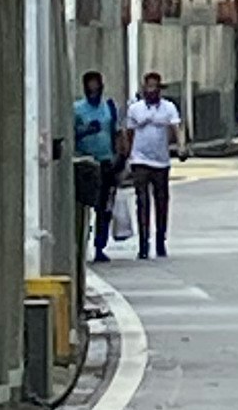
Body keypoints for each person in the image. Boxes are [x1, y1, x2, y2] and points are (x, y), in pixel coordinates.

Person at [124, 69, 186, 260]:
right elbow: (128, 132)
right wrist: (126, 156)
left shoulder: (168, 108)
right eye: (148, 87)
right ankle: (143, 242)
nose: (151, 91)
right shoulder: (135, 109)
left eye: (155, 87)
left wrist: (181, 146)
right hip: (140, 160)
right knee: (142, 201)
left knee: (161, 201)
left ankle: (161, 239)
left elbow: (176, 127)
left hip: (161, 161)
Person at [71, 71, 125, 265]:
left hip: (105, 162)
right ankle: (81, 245)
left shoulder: (109, 107)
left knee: (104, 208)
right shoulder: (76, 110)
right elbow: (70, 136)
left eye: (96, 86)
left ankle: (100, 246)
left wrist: (120, 158)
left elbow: (118, 133)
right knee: (84, 206)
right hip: (85, 162)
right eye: (90, 87)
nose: (93, 91)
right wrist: (85, 131)